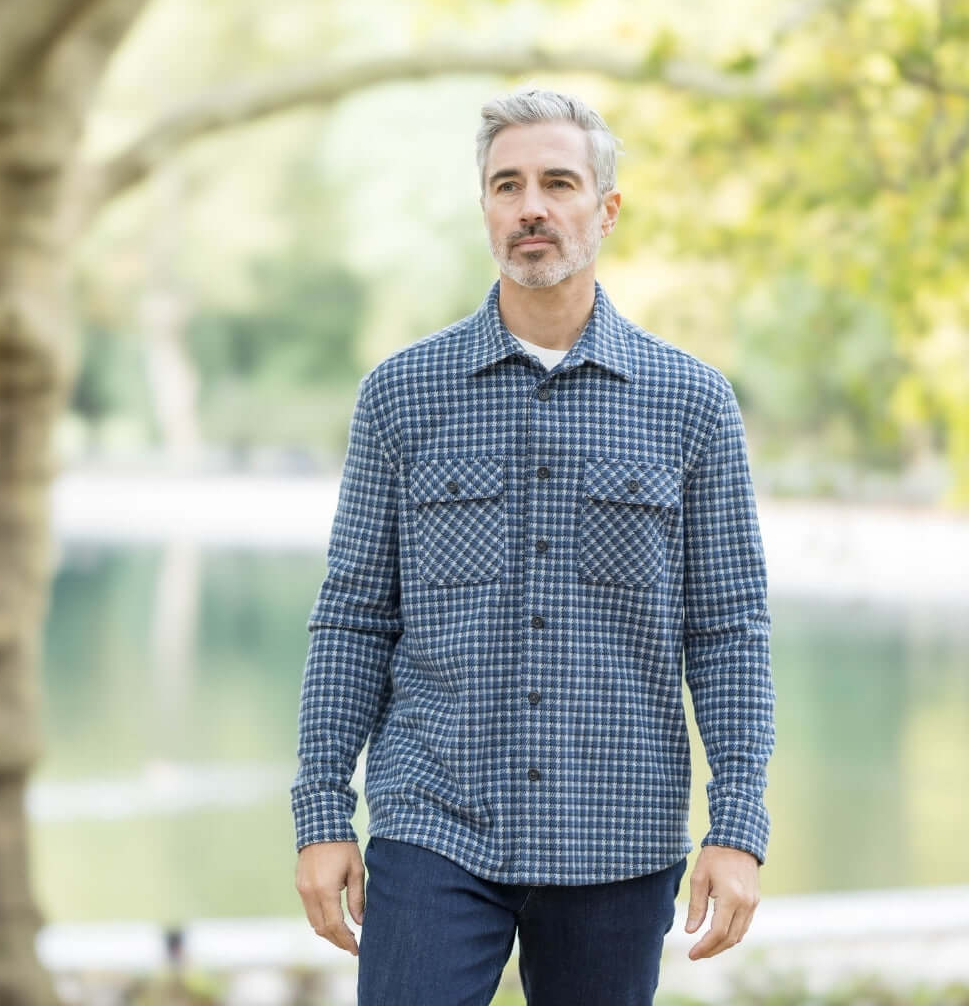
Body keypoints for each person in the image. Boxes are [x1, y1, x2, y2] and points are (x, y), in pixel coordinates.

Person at [291, 87, 776, 1005]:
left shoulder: (692, 405)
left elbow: (728, 632)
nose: (532, 207)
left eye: (559, 183)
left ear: (607, 208)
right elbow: (353, 619)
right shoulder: (402, 396)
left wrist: (737, 825)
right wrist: (321, 813)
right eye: (507, 186)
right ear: (485, 208)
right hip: (434, 824)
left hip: (618, 834)